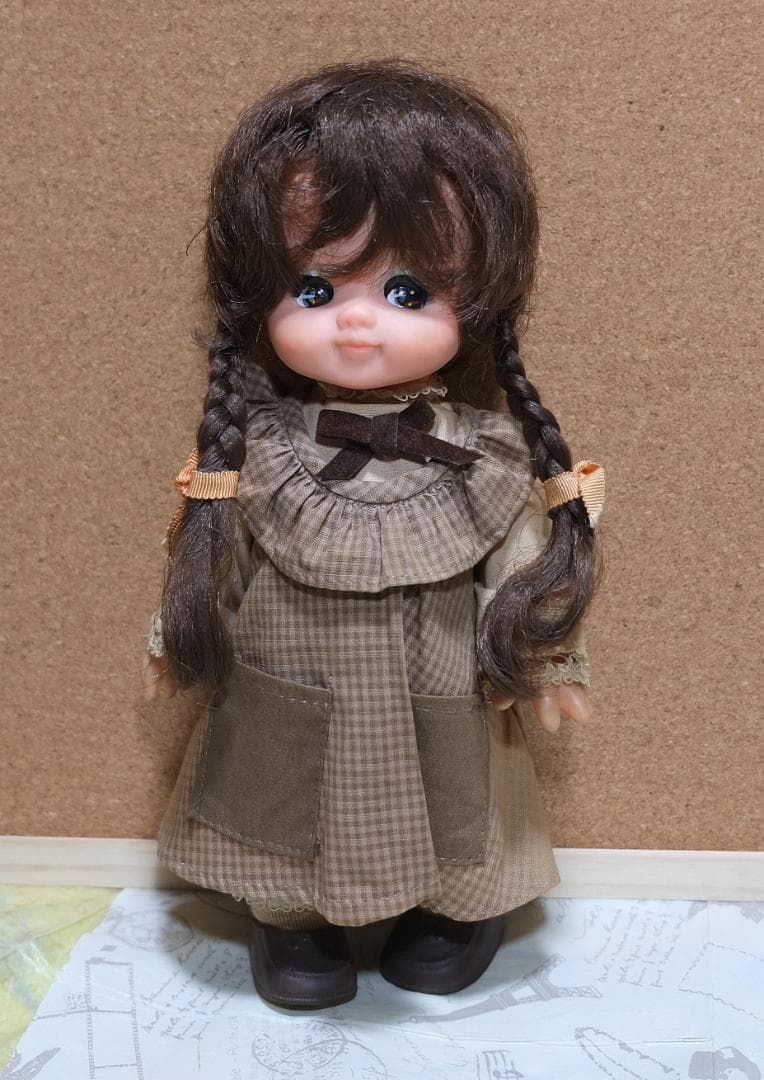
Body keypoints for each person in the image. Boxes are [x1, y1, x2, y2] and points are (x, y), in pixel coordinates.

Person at [143, 59, 604, 1010]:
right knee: (276, 804)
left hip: (443, 678)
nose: (357, 325)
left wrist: (548, 662)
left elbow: (520, 564)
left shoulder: (488, 456)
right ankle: (291, 922)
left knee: (461, 801)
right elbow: (210, 562)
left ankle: (457, 913)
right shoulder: (252, 454)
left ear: (477, 299)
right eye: (315, 290)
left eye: (406, 291)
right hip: (284, 680)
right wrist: (173, 642)